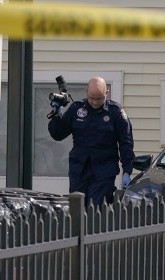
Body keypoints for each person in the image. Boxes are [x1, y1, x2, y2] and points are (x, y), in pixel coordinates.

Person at [48, 77, 135, 205]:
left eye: (99, 99)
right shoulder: (77, 110)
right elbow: (58, 134)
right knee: (77, 210)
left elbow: (125, 143)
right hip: (79, 171)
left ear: (106, 93)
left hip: (103, 172)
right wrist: (56, 115)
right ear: (86, 92)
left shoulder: (115, 112)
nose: (94, 102)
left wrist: (127, 171)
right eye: (91, 98)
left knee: (96, 211)